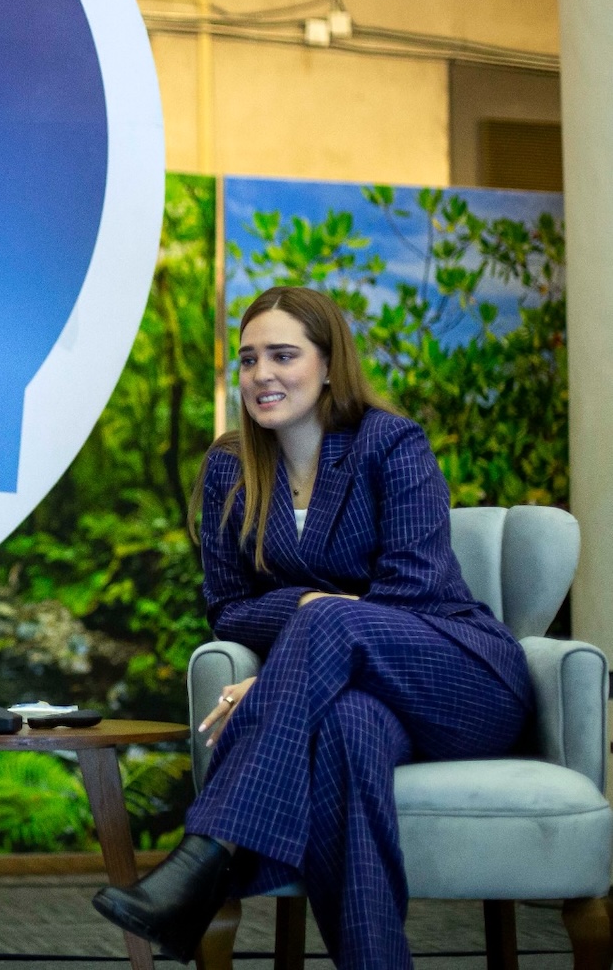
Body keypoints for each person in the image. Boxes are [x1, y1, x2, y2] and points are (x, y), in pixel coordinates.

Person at [91, 286, 533, 968]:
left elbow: (412, 592)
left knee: (327, 620)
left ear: (328, 364)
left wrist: (295, 653)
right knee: (349, 730)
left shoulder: (391, 443)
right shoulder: (230, 467)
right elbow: (228, 609)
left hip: (462, 677)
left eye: (283, 355)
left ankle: (207, 851)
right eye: (248, 359)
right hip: (356, 695)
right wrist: (303, 615)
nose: (260, 373)